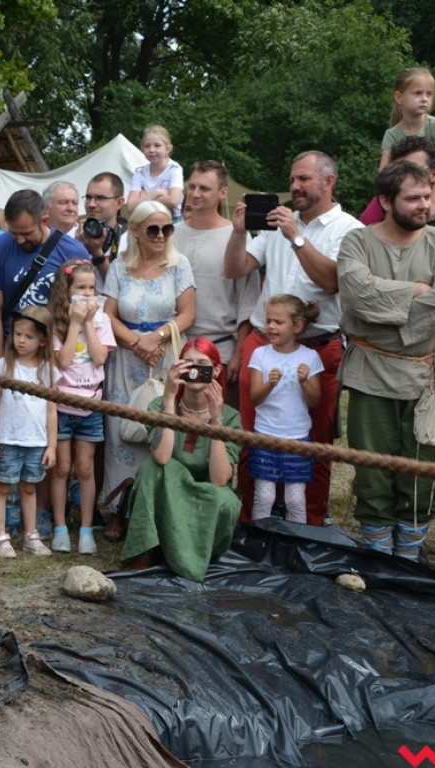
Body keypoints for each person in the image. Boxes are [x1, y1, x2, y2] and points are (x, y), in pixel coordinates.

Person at [225, 150, 362, 526]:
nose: (295, 187)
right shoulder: (276, 225)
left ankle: (310, 526)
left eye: (303, 179)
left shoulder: (348, 229)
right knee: (254, 439)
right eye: (292, 180)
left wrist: (296, 237)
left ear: (328, 182)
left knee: (315, 445)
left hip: (317, 347)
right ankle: (254, 521)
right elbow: (235, 269)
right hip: (263, 344)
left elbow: (332, 282)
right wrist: (239, 232)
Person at [338, 160, 435, 559]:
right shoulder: (356, 242)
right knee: (373, 469)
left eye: (427, 196)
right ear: (385, 200)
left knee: (421, 473)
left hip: (426, 377)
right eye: (413, 198)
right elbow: (358, 296)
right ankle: (379, 556)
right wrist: (418, 291)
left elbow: (373, 300)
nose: (424, 205)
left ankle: (408, 558)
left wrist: (388, 306)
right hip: (370, 373)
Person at [102, 200, 196, 540]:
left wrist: (155, 339)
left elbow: (187, 314)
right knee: (120, 432)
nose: (161, 235)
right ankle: (118, 509)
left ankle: (156, 509)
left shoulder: (178, 264)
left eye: (167, 228)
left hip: (164, 355)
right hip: (126, 358)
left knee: (158, 428)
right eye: (153, 229)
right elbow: (108, 312)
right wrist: (134, 341)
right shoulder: (119, 266)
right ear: (137, 231)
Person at [120, 338, 241, 580]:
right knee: (151, 468)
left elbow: (219, 480)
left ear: (216, 370)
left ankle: (192, 558)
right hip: (169, 487)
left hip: (206, 493)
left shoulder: (231, 417)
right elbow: (162, 457)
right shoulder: (160, 405)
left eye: (203, 365)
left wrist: (216, 421)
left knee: (226, 500)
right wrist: (168, 400)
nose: (195, 371)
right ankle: (145, 551)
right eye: (188, 364)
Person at [172, 161, 259, 407]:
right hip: (178, 348)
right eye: (193, 186)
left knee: (217, 426)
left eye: (205, 188)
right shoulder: (172, 235)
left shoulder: (237, 233)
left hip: (220, 351)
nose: (196, 193)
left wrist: (239, 353)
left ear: (222, 193)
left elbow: (247, 300)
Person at [47, 260, 115, 554]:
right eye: (81, 288)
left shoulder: (102, 321)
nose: (88, 294)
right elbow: (61, 362)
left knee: (85, 468)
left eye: (92, 288)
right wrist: (74, 322)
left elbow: (100, 359)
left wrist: (88, 321)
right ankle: (61, 526)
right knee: (62, 467)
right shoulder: (55, 321)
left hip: (91, 402)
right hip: (61, 404)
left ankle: (86, 528)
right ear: (67, 290)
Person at [0, 189, 90, 359]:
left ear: (45, 221)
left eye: (26, 234)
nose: (20, 240)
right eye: (13, 233)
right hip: (13, 351)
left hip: (58, 355)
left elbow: (86, 306)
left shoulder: (73, 251)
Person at [0, 305, 57, 558]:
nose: (21, 341)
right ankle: (1, 535)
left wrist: (52, 445)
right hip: (8, 437)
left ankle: (30, 535)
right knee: (3, 486)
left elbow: (52, 410)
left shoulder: (48, 370)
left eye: (29, 336)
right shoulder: (3, 366)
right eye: (18, 334)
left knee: (29, 488)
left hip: (36, 440)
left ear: (43, 340)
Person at [247, 295, 323, 524]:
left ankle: (296, 544)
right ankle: (259, 542)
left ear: (297, 326)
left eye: (278, 322)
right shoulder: (260, 354)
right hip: (265, 435)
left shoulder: (310, 357)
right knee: (264, 496)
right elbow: (255, 397)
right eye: (268, 320)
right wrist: (269, 384)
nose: (270, 326)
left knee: (295, 500)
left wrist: (304, 382)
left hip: (297, 437)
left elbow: (315, 400)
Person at [361, 136, 435, 226]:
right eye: (399, 169)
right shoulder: (386, 200)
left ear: (434, 175)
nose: (405, 174)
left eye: (414, 169)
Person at [379, 67, 435, 172]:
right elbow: (383, 175)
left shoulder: (434, 126)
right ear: (399, 97)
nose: (425, 99)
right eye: (418, 93)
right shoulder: (392, 135)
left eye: (429, 94)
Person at [76, 172, 128, 288]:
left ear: (119, 203)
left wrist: (97, 253)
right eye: (88, 197)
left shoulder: (132, 240)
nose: (91, 204)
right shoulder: (73, 235)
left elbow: (123, 289)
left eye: (100, 198)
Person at [126, 126, 184, 222]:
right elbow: (130, 207)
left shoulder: (174, 169)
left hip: (172, 219)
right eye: (147, 146)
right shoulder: (140, 172)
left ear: (168, 149)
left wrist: (144, 198)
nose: (152, 150)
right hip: (147, 218)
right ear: (142, 149)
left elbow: (174, 201)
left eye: (157, 145)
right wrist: (156, 193)